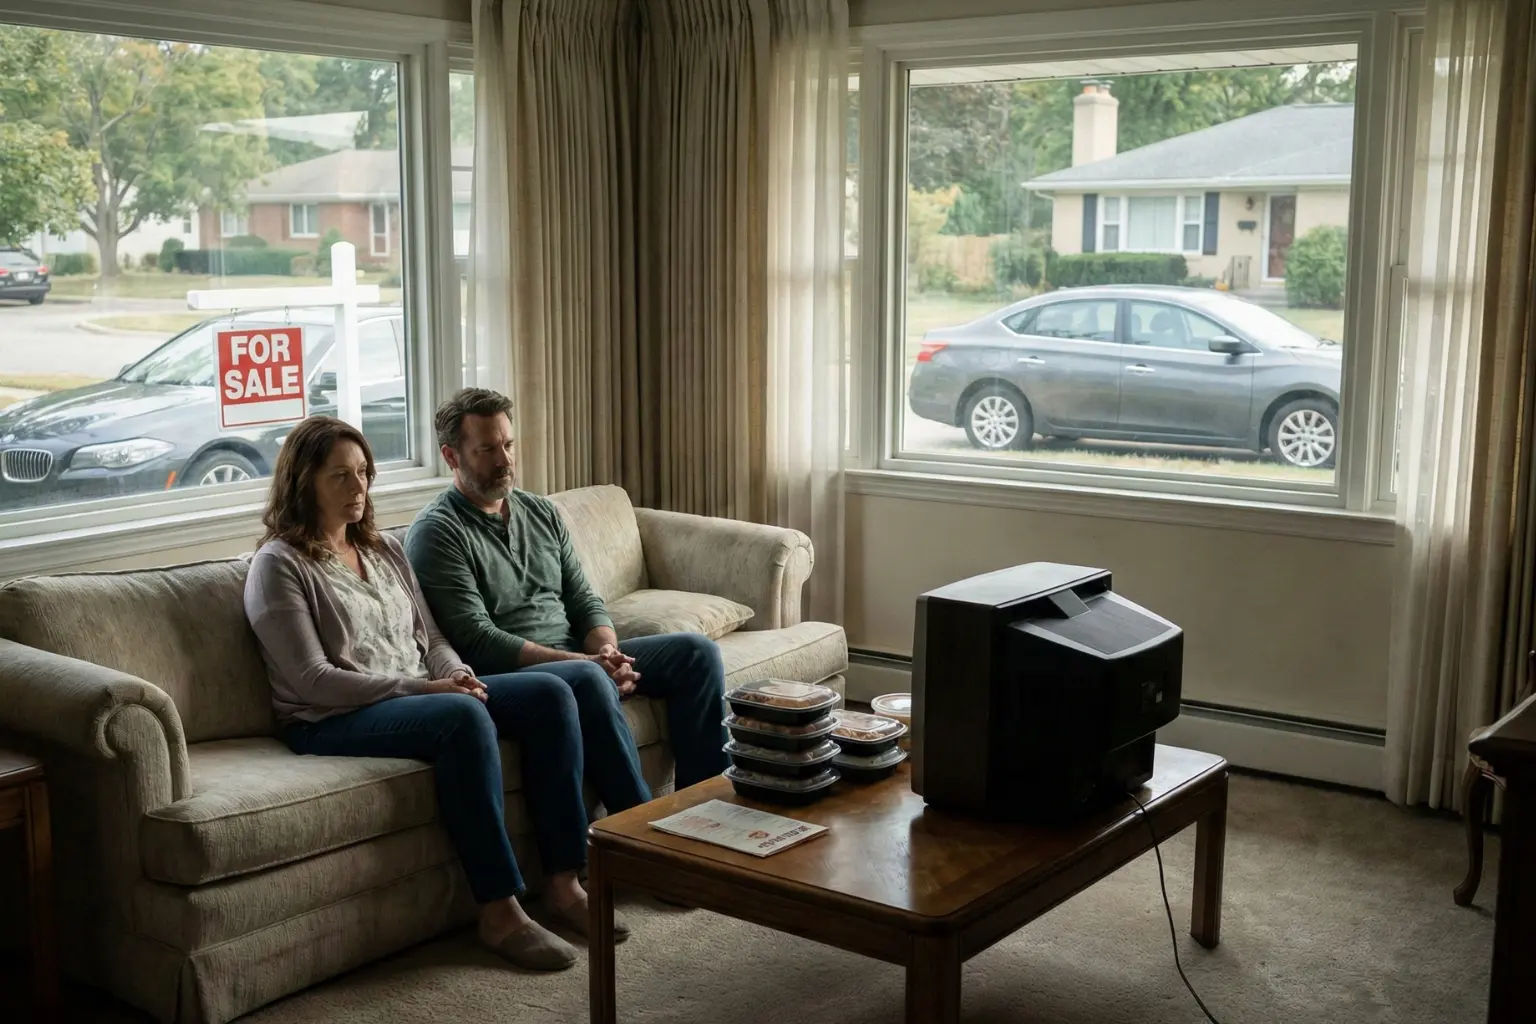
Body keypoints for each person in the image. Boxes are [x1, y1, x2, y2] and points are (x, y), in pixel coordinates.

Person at [243, 415, 631, 975]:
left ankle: (563, 881)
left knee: (551, 694)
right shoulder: (279, 565)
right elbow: (313, 680)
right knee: (461, 718)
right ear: (303, 482)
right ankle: (499, 911)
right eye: (340, 477)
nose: (358, 489)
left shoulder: (383, 549)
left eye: (363, 474)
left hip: (420, 693)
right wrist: (431, 688)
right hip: (331, 716)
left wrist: (458, 673)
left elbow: (433, 638)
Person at [405, 388, 730, 817]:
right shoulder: (437, 533)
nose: (504, 459)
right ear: (451, 456)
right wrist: (581, 662)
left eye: (508, 444)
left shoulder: (541, 513)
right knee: (587, 678)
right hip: (514, 676)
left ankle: (708, 812)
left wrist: (607, 651)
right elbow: (477, 639)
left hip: (577, 661)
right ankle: (643, 835)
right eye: (486, 449)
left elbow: (582, 598)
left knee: (696, 653)